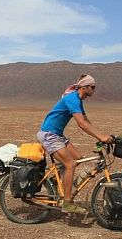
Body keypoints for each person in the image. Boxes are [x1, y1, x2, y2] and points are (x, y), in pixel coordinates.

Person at [36, 74, 113, 214]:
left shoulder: (77, 100)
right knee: (70, 164)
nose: (94, 90)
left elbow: (86, 120)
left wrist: (102, 135)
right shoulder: (72, 98)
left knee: (78, 157)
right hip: (49, 134)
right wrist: (100, 136)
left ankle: (55, 178)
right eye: (93, 87)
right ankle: (66, 203)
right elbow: (81, 124)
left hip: (57, 135)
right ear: (85, 87)